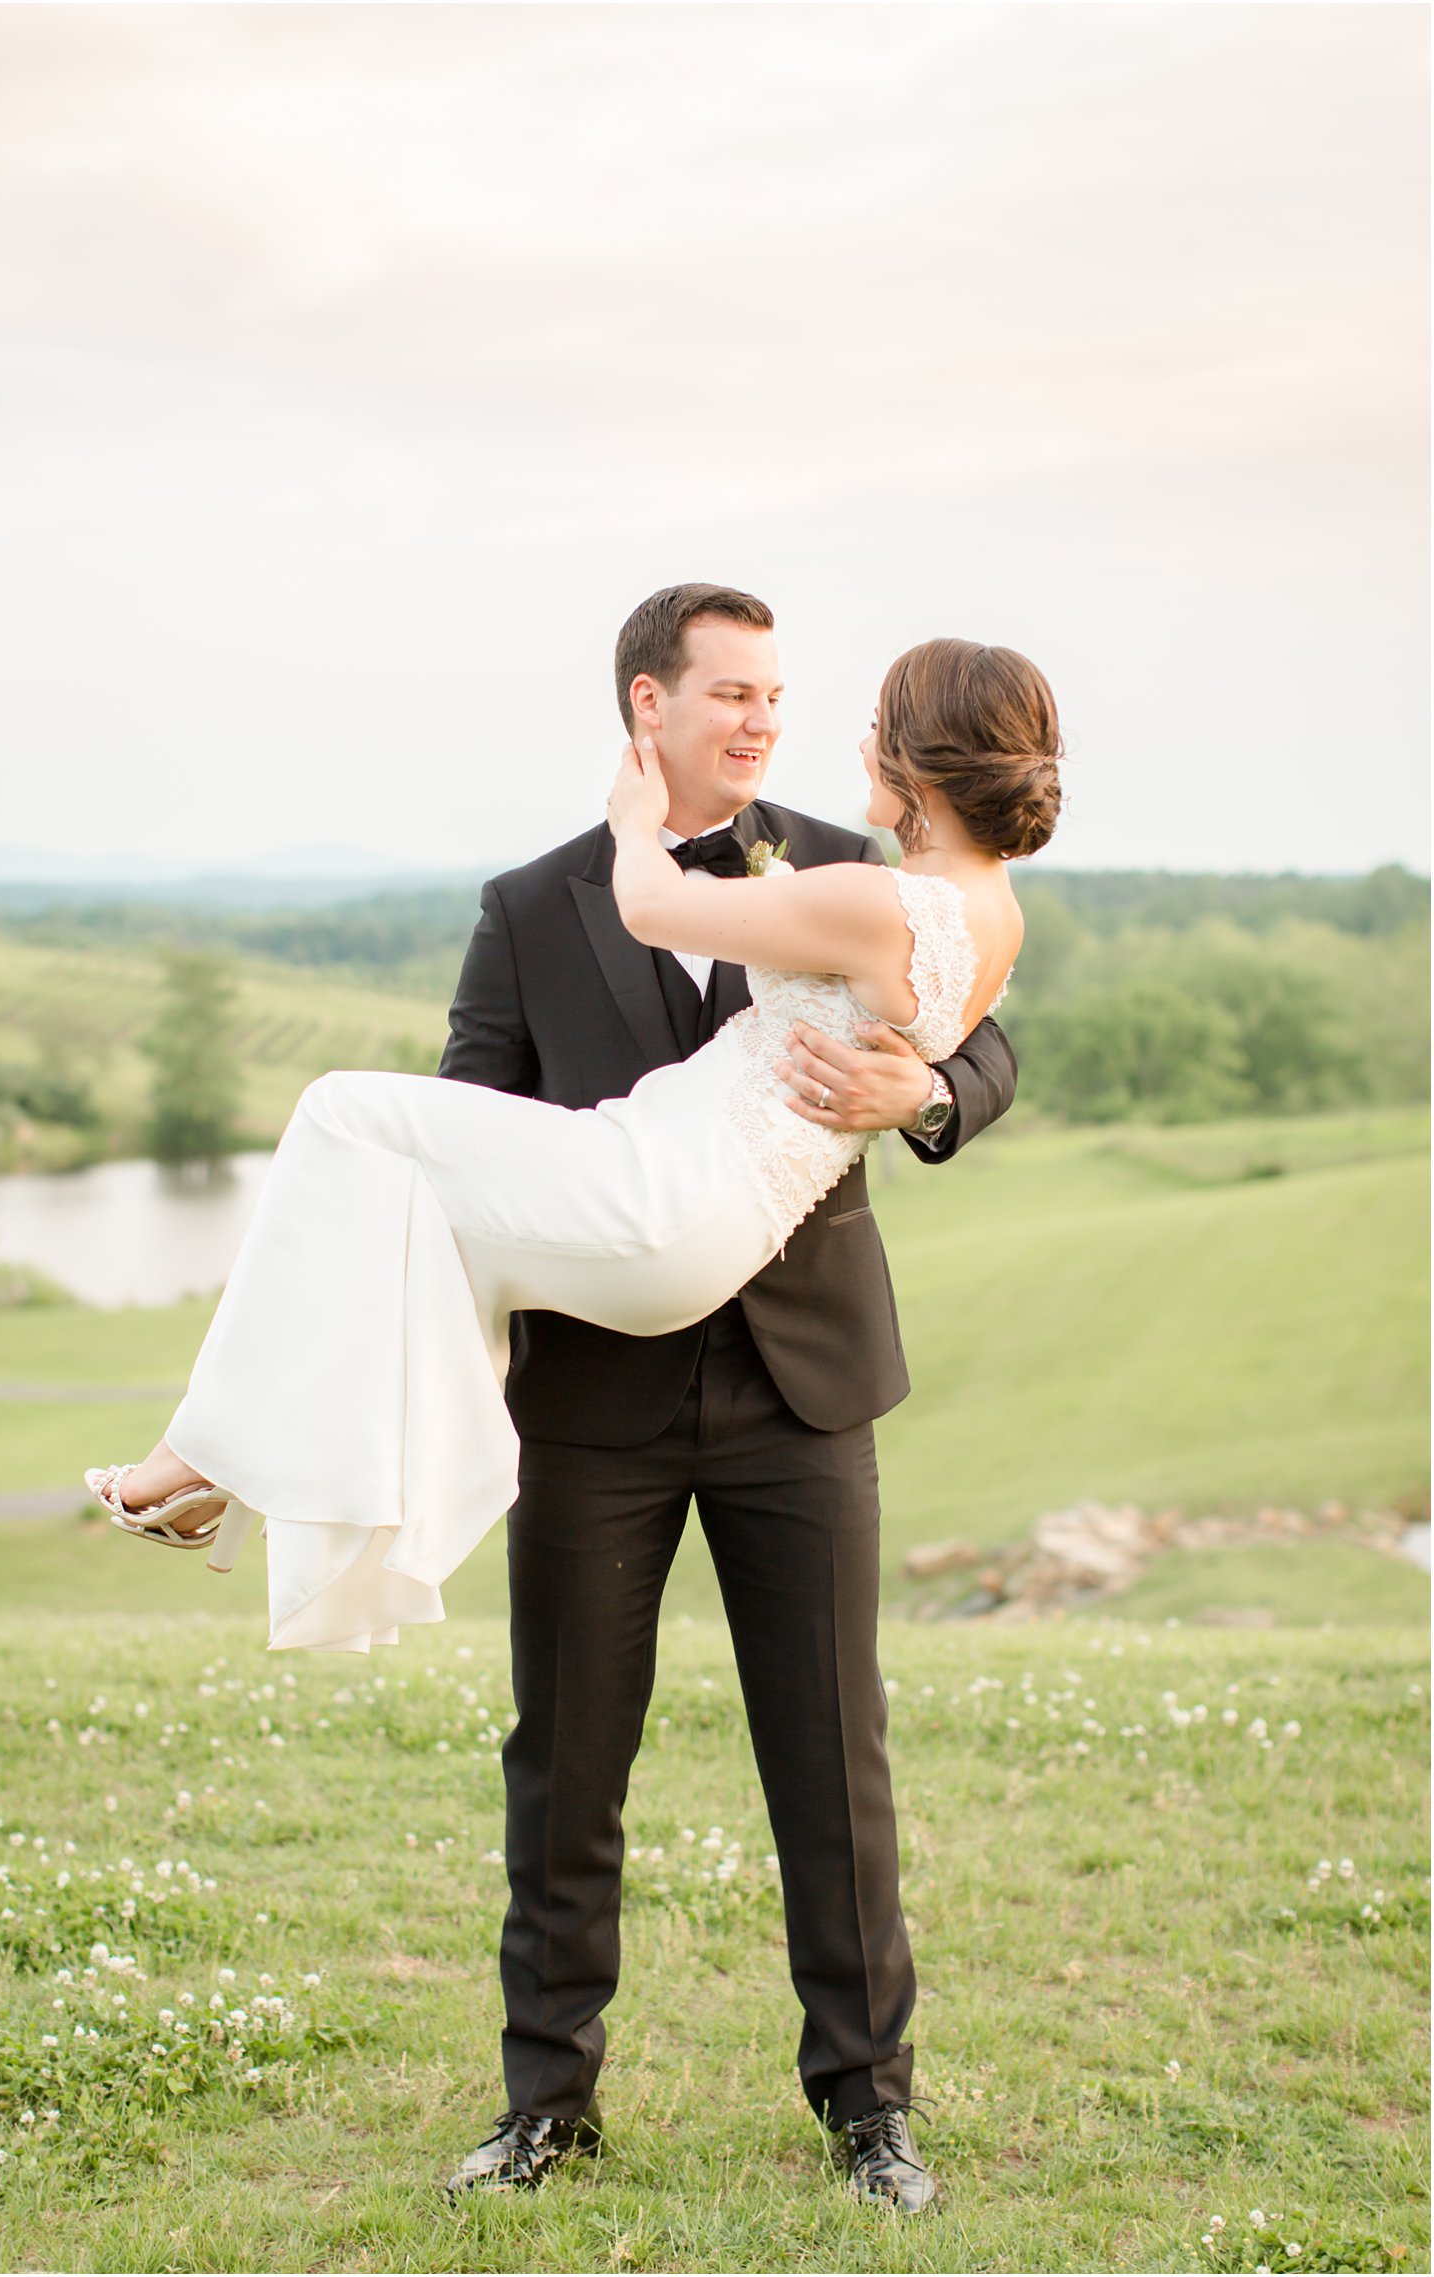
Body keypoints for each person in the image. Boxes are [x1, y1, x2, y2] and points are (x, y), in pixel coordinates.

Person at [86, 586, 1060, 2210]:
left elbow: (984, 1048)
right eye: (731, 692)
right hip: (604, 1386)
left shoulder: (856, 863)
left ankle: (868, 2110)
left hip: (800, 1382)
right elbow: (472, 1117)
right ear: (647, 704)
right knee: (568, 1761)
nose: (763, 720)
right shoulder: (531, 905)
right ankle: (547, 2102)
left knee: (833, 1757)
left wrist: (929, 1090)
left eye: (779, 693)